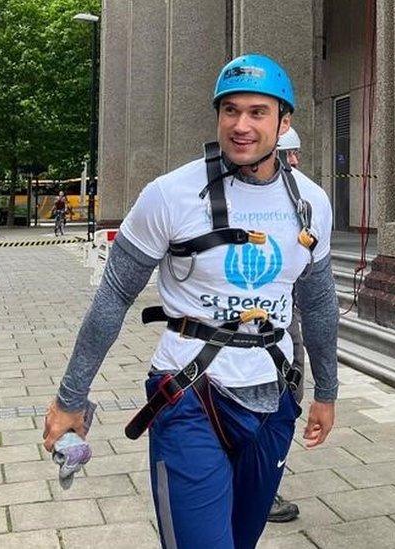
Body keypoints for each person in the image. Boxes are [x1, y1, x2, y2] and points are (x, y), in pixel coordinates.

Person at [42, 53, 340, 548]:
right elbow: (115, 293)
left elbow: (320, 301)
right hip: (189, 395)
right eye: (230, 111)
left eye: (257, 112)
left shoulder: (310, 203)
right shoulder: (170, 195)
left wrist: (326, 391)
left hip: (275, 396)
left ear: (284, 121)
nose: (241, 125)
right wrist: (72, 396)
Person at [267, 126, 303, 523]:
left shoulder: (304, 199)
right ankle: (266, 490)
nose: (294, 161)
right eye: (288, 154)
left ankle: (268, 483)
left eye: (298, 154)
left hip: (289, 323)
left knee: (287, 403)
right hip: (257, 333)